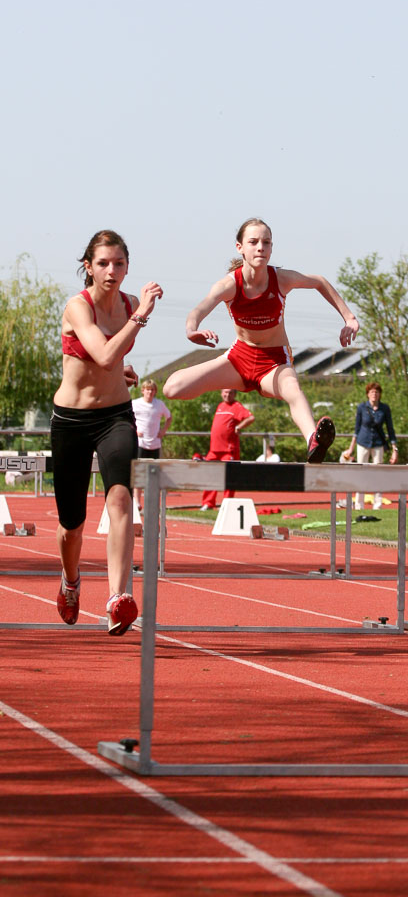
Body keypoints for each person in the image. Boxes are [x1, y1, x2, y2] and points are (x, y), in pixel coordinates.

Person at [163, 218, 359, 463]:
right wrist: (192, 330)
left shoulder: (281, 279)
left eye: (266, 243)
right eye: (253, 242)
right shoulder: (229, 284)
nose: (260, 248)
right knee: (172, 388)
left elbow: (318, 281)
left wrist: (349, 317)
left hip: (275, 361)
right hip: (239, 359)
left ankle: (313, 442)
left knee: (293, 390)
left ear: (271, 248)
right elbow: (198, 310)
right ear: (240, 247)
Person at [51, 229, 163, 634]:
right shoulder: (78, 307)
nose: (111, 270)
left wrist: (123, 372)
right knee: (72, 525)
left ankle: (118, 597)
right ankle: (71, 579)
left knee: (120, 500)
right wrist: (141, 317)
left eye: (118, 263)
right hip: (71, 420)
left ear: (127, 266)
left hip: (116, 416)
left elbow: (111, 362)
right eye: (103, 263)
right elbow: (101, 353)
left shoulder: (130, 303)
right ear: (88, 267)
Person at [342, 382, 398, 511]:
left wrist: (395, 450)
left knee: (378, 474)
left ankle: (377, 504)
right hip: (363, 442)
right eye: (372, 392)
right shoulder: (361, 407)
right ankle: (359, 504)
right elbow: (356, 429)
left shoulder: (385, 408)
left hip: (378, 444)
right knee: (361, 473)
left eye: (377, 392)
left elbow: (390, 429)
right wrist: (351, 448)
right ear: (368, 394)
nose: (374, 394)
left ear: (380, 395)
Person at [200, 388, 255, 511]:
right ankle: (208, 503)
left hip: (228, 449)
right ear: (221, 393)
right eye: (225, 392)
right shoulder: (220, 406)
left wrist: (239, 427)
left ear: (234, 394)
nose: (227, 395)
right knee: (210, 475)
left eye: (230, 392)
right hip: (214, 449)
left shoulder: (236, 406)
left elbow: (250, 418)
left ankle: (227, 505)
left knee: (229, 478)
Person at [131, 379, 172, 511]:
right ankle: (136, 501)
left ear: (155, 392)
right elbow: (126, 416)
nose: (149, 392)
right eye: (147, 389)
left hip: (155, 443)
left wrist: (163, 431)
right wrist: (134, 429)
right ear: (143, 390)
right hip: (140, 443)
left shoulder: (159, 404)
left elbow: (169, 417)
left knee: (154, 474)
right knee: (139, 472)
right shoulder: (135, 404)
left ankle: (153, 502)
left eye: (152, 390)